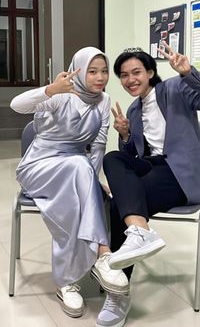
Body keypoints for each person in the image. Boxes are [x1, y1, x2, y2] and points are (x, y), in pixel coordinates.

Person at [96, 42, 200, 327]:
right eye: (124, 75)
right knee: (114, 158)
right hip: (152, 167)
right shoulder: (132, 110)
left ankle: (118, 292)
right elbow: (134, 156)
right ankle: (140, 233)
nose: (131, 79)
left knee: (120, 200)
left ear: (150, 71)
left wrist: (188, 72)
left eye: (136, 72)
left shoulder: (175, 89)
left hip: (181, 173)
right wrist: (126, 135)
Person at [10, 46, 129, 319]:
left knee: (80, 175)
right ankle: (103, 254)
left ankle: (66, 283)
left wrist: (92, 184)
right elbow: (17, 105)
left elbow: (98, 148)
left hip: (76, 170)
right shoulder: (62, 93)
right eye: (92, 71)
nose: (99, 77)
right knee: (79, 165)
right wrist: (50, 90)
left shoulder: (104, 100)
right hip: (38, 166)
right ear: (79, 70)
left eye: (103, 71)